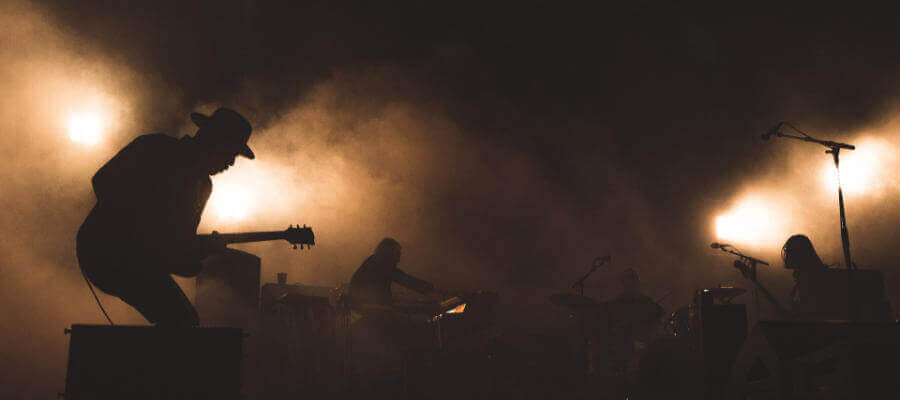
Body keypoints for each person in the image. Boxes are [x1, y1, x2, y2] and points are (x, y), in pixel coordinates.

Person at [76, 107, 255, 327]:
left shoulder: (203, 187)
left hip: (138, 261)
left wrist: (204, 251)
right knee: (181, 321)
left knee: (182, 321)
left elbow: (177, 251)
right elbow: (102, 181)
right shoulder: (155, 148)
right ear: (214, 142)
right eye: (231, 152)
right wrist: (143, 232)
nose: (232, 163)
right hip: (102, 249)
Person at [348, 238, 435, 310]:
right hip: (369, 310)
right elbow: (404, 279)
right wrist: (430, 289)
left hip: (367, 308)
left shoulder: (374, 261)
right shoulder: (380, 263)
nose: (399, 259)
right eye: (397, 253)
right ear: (389, 252)